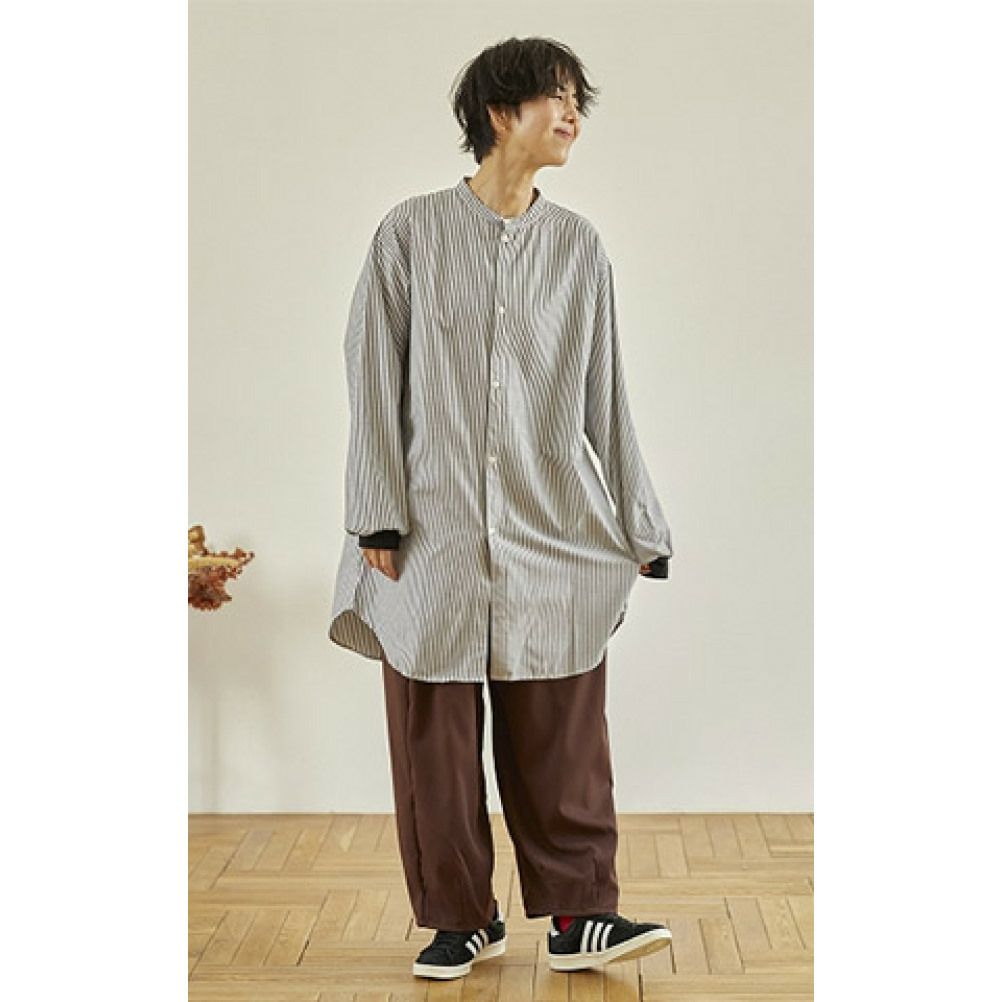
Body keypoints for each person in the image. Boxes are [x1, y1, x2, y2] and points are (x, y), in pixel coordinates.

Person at [328, 36, 674, 980]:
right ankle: (460, 917)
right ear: (499, 112)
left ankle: (579, 915)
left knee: (563, 727)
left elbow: (607, 392)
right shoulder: (409, 234)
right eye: (556, 98)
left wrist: (640, 520)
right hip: (426, 531)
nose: (572, 116)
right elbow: (372, 372)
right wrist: (377, 512)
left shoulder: (579, 248)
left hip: (549, 524)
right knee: (433, 738)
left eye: (576, 102)